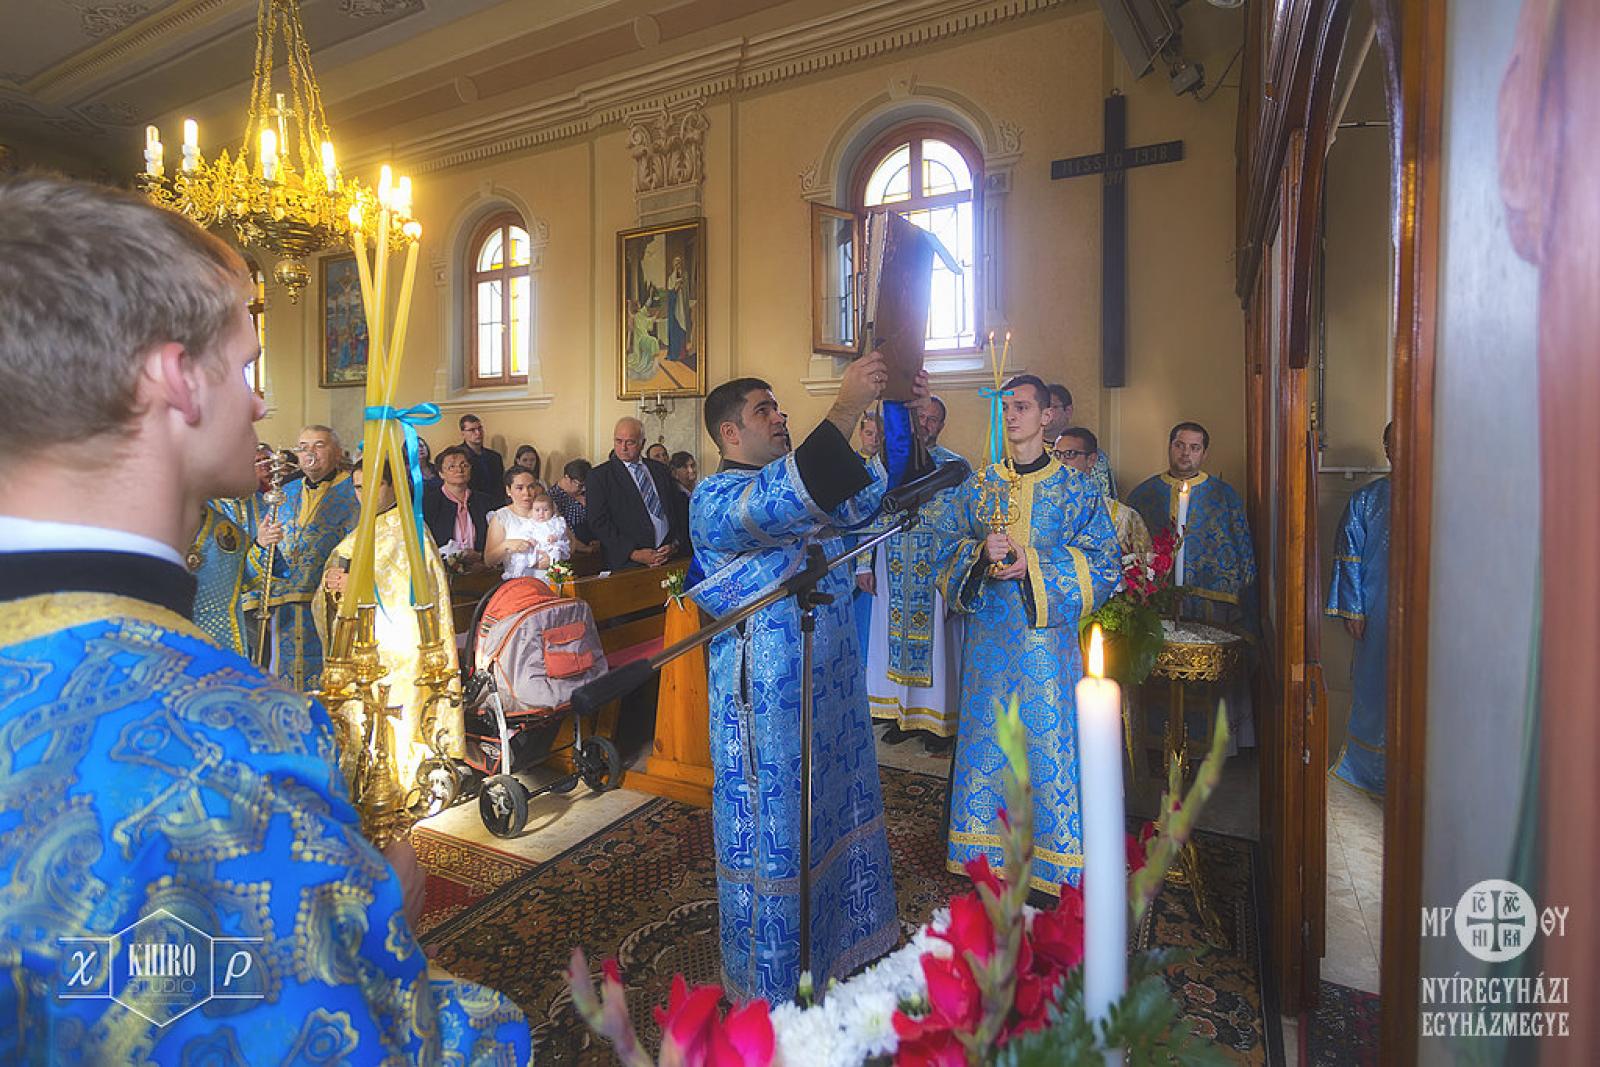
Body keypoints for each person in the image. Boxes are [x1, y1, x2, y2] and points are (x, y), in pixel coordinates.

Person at [0, 173, 529, 1063]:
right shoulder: (225, 743)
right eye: (246, 367)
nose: (260, 402)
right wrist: (373, 931)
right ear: (177, 378)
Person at [689, 350, 917, 1002]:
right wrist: (844, 406)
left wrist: (899, 410)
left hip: (831, 689)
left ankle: (845, 947)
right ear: (730, 432)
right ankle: (773, 986)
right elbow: (782, 498)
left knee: (834, 810)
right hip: (768, 703)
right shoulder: (715, 498)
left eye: (778, 406)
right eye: (764, 409)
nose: (780, 415)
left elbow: (878, 494)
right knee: (782, 830)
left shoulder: (799, 486)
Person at [934, 374, 1121, 900]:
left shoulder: (1076, 488)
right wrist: (977, 554)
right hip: (988, 646)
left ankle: (1050, 862)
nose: (1012, 415)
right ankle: (984, 855)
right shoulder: (978, 486)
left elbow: (1105, 563)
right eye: (1006, 407)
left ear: (1046, 416)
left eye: (1022, 406)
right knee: (987, 743)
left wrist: (1033, 565)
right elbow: (944, 549)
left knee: (1045, 744)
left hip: (1046, 648)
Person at [315, 457, 463, 790]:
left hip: (398, 643)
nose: (364, 494)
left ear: (394, 485)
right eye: (357, 487)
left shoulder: (412, 529)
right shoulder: (363, 529)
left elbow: (412, 588)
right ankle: (363, 778)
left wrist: (355, 584)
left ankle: (402, 781)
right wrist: (331, 583)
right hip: (360, 643)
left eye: (373, 485)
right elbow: (338, 576)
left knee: (394, 711)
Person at [1127, 421, 1259, 747]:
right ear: (1169, 446)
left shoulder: (1224, 496)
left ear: (1204, 453)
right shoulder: (1144, 494)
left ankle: (1210, 748)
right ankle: (1157, 744)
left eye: (1194, 448)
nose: (1186, 453)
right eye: (1180, 445)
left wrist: (1243, 597)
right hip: (1156, 604)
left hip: (1209, 608)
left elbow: (1242, 551)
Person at [860, 394, 970, 753]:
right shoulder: (891, 464)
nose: (925, 424)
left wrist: (958, 576)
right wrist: (863, 563)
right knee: (889, 641)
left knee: (940, 645)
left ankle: (937, 722)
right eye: (920, 417)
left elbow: (967, 523)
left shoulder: (956, 467)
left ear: (942, 425)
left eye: (932, 419)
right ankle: (899, 715)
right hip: (891, 564)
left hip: (936, 568)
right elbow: (870, 512)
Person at [244, 424, 360, 690]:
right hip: (284, 609)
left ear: (338, 452)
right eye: (303, 447)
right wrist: (262, 542)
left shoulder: (355, 489)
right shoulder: (285, 492)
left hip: (330, 605)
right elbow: (267, 549)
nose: (310, 453)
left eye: (319, 445)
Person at [1325, 423, 1393, 796]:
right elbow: (1348, 554)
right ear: (1387, 448)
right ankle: (1371, 769)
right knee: (1375, 684)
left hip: (1430, 614)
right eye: (1394, 443)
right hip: (1378, 609)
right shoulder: (1367, 499)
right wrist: (1353, 609)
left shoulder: (1443, 496)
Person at [586, 416, 688, 571]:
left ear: (643, 443)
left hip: (670, 557)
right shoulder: (599, 477)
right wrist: (633, 553)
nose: (623, 448)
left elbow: (678, 510)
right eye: (618, 441)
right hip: (629, 564)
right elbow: (599, 523)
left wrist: (674, 544)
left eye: (630, 442)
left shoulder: (660, 470)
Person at [1054, 427, 1150, 555]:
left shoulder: (1121, 516)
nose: (1061, 462)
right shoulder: (1042, 508)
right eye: (1057, 455)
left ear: (1091, 460)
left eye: (1070, 454)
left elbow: (1143, 562)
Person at [487, 469, 571, 582]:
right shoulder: (501, 517)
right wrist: (507, 544)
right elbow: (489, 560)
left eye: (531, 487)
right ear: (508, 490)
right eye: (519, 488)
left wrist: (554, 558)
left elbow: (571, 543)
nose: (526, 493)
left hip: (551, 579)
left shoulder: (546, 509)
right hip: (520, 582)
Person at [424, 445, 494, 564]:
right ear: (441, 473)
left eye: (464, 465)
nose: (459, 470)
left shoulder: (485, 502)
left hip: (482, 567)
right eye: (452, 467)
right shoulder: (428, 503)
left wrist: (480, 556)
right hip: (442, 568)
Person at [1044, 383, 1116, 497]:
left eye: (1051, 407)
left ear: (1068, 411)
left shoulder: (1093, 455)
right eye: (1041, 407)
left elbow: (1103, 499)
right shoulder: (1029, 454)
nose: (1045, 413)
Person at [550, 457, 600, 554]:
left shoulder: (585, 493)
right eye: (580, 485)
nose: (583, 489)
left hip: (596, 544)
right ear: (567, 478)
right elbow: (561, 530)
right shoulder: (553, 498)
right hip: (574, 549)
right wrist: (583, 547)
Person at [459, 412, 507, 505]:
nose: (478, 433)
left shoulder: (495, 457)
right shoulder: (459, 457)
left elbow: (500, 486)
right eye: (472, 430)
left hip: (495, 504)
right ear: (463, 433)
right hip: (471, 504)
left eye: (480, 428)